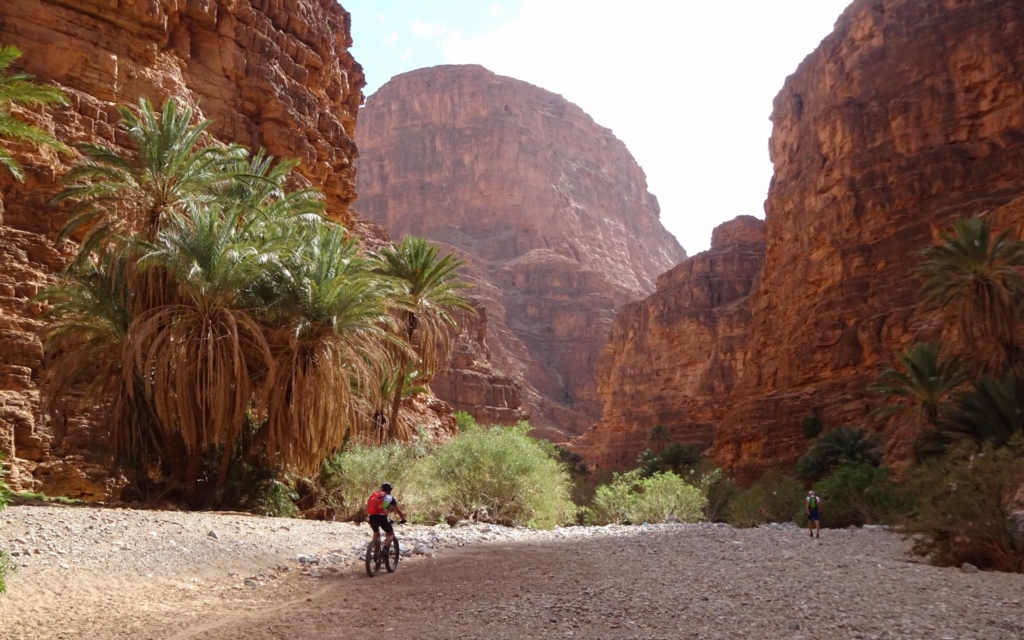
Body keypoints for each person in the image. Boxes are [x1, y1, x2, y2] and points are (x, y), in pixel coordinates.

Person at [367, 482, 406, 556]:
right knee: (390, 534)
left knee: (376, 532)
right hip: (382, 518)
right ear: (390, 490)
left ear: (382, 489)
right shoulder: (390, 498)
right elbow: (398, 511)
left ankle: (375, 552)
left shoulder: (374, 496)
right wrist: (403, 519)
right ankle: (385, 549)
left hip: (371, 517)